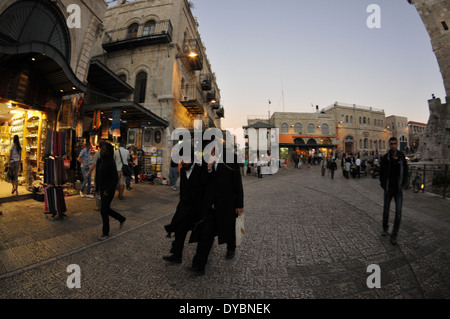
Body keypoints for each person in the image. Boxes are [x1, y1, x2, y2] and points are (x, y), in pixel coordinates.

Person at [188, 142, 244, 275]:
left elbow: (238, 183)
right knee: (205, 235)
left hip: (226, 204)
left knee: (228, 229)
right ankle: (199, 266)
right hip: (210, 207)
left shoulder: (231, 158)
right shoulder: (206, 160)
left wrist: (239, 204)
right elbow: (202, 182)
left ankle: (231, 247)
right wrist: (208, 168)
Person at [163, 150, 207, 264]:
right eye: (182, 159)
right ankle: (177, 255)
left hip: (197, 209)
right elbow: (182, 190)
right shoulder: (182, 171)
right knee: (179, 230)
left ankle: (201, 259)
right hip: (184, 207)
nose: (184, 162)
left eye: (186, 159)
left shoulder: (200, 169)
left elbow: (204, 188)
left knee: (201, 234)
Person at [379, 137, 408, 245]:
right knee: (386, 210)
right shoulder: (386, 158)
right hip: (388, 188)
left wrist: (403, 183)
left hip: (398, 189)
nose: (393, 145)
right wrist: (383, 185)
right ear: (389, 145)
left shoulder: (401, 157)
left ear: (397, 144)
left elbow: (405, 171)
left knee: (398, 213)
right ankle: (385, 228)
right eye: (391, 144)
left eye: (395, 143)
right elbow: (381, 172)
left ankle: (394, 235)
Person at [95, 142, 126, 241]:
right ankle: (121, 218)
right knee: (105, 209)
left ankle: (105, 233)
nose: (101, 151)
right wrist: (96, 188)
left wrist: (108, 190)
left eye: (103, 150)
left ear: (108, 152)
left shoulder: (111, 163)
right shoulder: (99, 161)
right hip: (101, 189)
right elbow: (97, 175)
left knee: (103, 211)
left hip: (108, 191)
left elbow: (114, 179)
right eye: (101, 149)